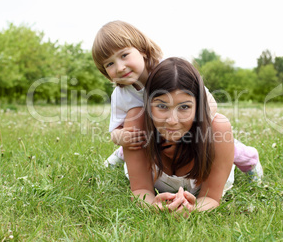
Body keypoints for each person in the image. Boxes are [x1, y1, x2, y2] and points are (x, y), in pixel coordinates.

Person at [91, 21, 262, 191]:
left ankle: (250, 162)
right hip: (154, 132)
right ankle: (121, 155)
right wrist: (121, 137)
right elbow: (116, 129)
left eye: (124, 55)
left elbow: (209, 103)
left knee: (224, 144)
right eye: (109, 64)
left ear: (142, 49)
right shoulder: (121, 95)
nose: (120, 67)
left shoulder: (169, 71)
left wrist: (194, 130)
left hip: (190, 125)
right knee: (134, 134)